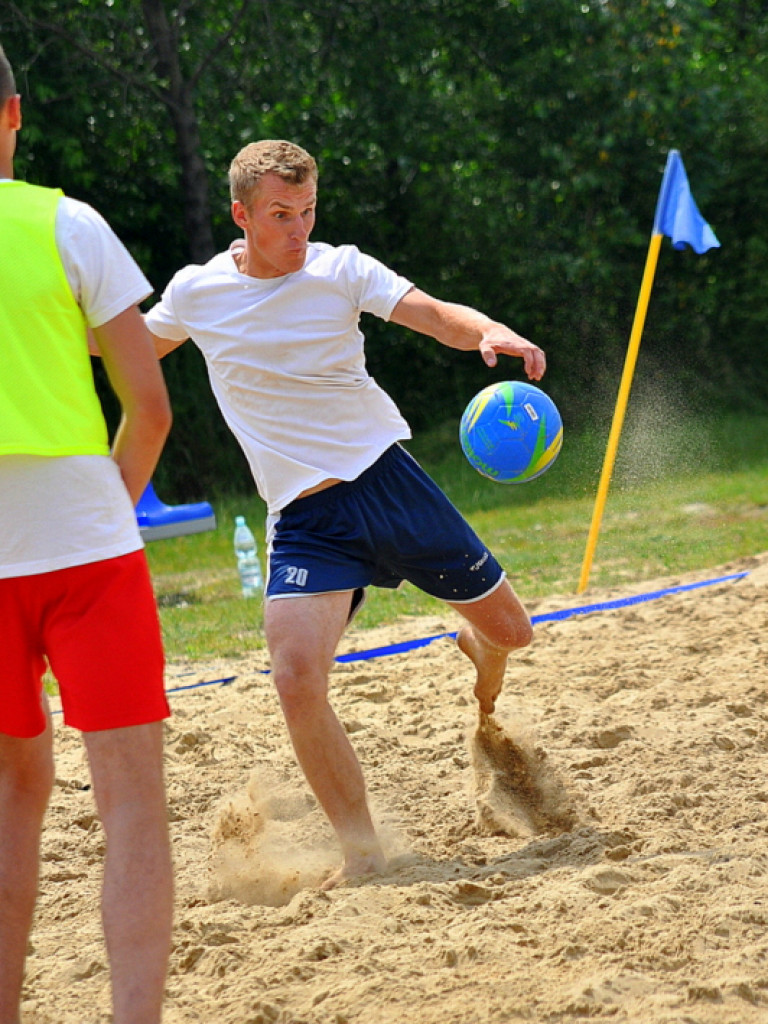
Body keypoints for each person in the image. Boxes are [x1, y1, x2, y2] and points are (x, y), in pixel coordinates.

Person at [144, 139, 546, 889]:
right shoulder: (197, 293)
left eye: (308, 212)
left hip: (385, 481)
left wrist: (487, 329)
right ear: (242, 216)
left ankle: (477, 644)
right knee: (295, 677)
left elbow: (433, 315)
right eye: (280, 215)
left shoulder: (340, 268)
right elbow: (130, 347)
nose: (298, 229)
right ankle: (363, 849)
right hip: (304, 517)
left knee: (513, 633)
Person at [0, 44, 174, 1024]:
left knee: (7, 796)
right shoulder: (69, 224)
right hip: (84, 546)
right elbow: (148, 408)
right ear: (14, 113)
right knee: (132, 803)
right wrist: (106, 503)